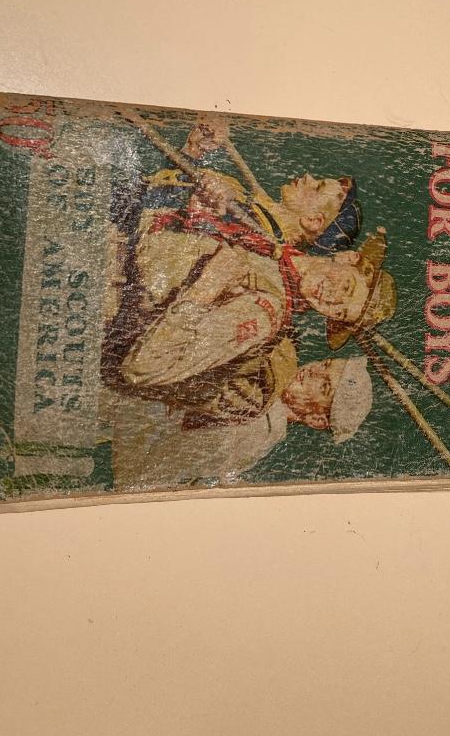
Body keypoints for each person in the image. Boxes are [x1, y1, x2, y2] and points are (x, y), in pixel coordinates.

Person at [110, 225, 396, 426]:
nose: (331, 298)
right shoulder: (276, 244)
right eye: (346, 287)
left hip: (107, 286)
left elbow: (143, 367)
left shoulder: (265, 313)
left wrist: (206, 289)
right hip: (119, 235)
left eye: (339, 311)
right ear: (348, 258)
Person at [108, 355, 374, 491]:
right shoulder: (266, 393)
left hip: (119, 430)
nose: (313, 370)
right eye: (326, 364)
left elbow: (156, 458)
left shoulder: (258, 429)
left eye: (324, 385)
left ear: (316, 420)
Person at [141, 118, 363, 254]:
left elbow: (170, 232)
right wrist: (194, 148)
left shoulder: (258, 238)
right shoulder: (259, 213)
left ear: (312, 221)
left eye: (317, 187)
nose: (307, 177)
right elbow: (169, 184)